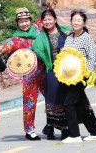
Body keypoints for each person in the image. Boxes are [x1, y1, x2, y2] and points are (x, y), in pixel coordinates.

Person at [0, 0, 59, 141]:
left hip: (46, 71)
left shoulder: (38, 28)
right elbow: (5, 48)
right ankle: (29, 130)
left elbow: (48, 15)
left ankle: (51, 126)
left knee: (52, 99)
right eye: (21, 21)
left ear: (30, 21)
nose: (24, 24)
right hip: (30, 77)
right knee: (29, 103)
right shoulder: (16, 39)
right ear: (17, 23)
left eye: (26, 21)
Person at [61, 10, 96, 143]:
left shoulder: (86, 38)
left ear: (84, 23)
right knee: (80, 104)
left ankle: (75, 135)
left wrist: (87, 75)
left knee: (68, 104)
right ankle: (94, 131)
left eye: (79, 20)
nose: (76, 22)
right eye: (74, 20)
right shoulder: (69, 37)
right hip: (69, 76)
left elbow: (91, 57)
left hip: (80, 76)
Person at [33, 9, 71, 140]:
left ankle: (65, 128)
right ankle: (51, 127)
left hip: (67, 70)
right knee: (52, 99)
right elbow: (36, 50)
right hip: (51, 71)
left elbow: (79, 37)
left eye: (50, 19)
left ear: (55, 20)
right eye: (45, 20)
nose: (47, 21)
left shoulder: (66, 32)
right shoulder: (40, 37)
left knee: (65, 98)